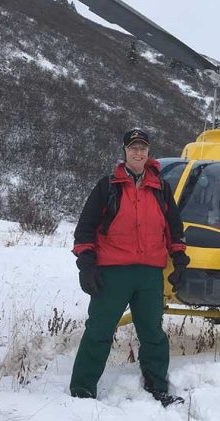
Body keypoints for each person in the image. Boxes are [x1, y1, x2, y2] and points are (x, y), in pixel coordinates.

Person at [69, 128, 190, 407]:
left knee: (152, 333)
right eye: (133, 147)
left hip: (149, 273)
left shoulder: (161, 188)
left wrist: (180, 260)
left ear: (148, 152)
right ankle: (82, 391)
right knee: (99, 330)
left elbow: (174, 229)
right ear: (124, 151)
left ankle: (157, 387)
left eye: (143, 148)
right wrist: (86, 265)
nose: (138, 152)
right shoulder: (108, 185)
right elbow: (85, 229)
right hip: (113, 271)